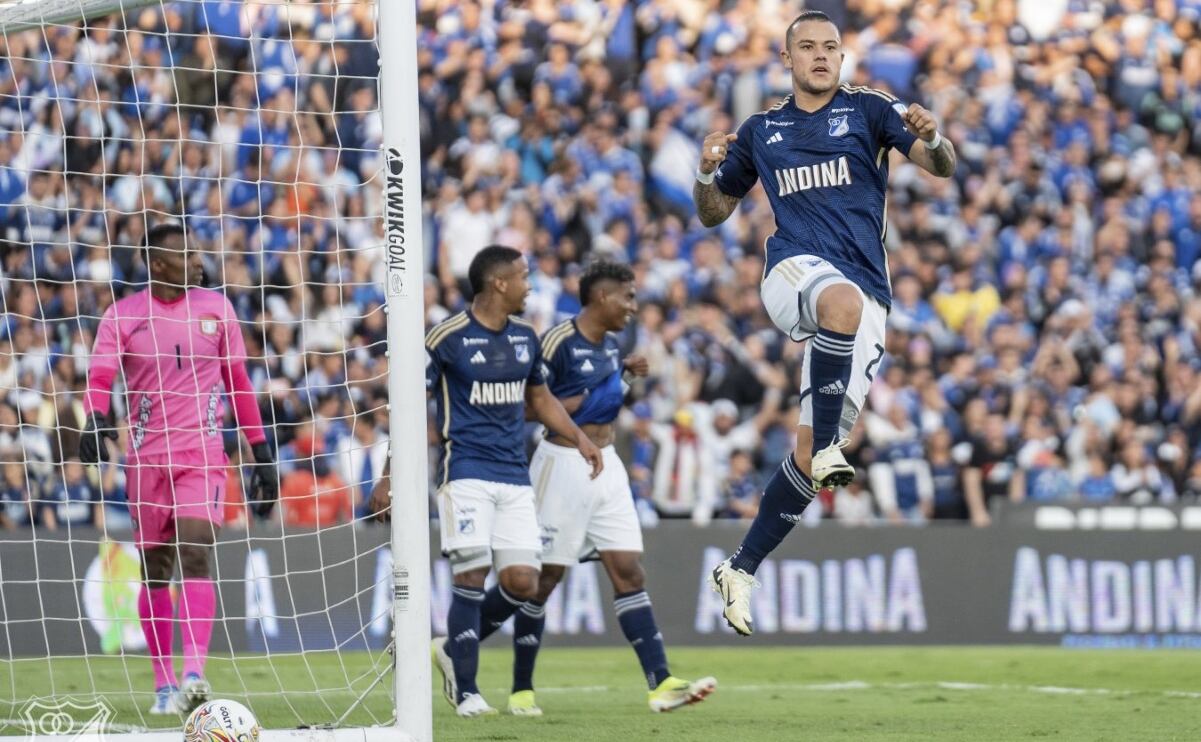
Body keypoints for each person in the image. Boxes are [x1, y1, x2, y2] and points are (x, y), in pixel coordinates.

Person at [694, 10, 956, 636]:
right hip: (794, 274)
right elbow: (713, 212)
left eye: (830, 47)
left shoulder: (869, 110)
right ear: (787, 59)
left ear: (843, 56)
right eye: (807, 47)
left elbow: (938, 165)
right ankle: (835, 446)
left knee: (810, 457)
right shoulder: (762, 129)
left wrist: (935, 136)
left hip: (869, 294)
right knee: (839, 305)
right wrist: (707, 171)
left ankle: (740, 567)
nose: (820, 56)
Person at [370, 245, 603, 718]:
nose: (529, 284)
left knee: (522, 582)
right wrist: (388, 474)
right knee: (471, 576)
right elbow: (412, 408)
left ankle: (452, 650)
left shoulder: (525, 337)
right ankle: (468, 690)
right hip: (465, 472)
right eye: (522, 276)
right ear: (498, 283)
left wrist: (579, 438)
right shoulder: (447, 337)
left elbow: (539, 400)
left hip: (514, 474)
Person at [475, 260, 716, 715]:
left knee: (629, 571)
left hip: (606, 466)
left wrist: (619, 381)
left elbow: (603, 403)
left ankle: (660, 682)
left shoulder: (610, 347)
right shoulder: (558, 342)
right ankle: (483, 661)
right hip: (562, 463)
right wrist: (589, 402)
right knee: (540, 582)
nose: (633, 306)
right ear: (602, 297)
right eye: (627, 297)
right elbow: (525, 406)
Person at [78, 221, 278, 714]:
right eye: (187, 255)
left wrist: (261, 450)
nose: (198, 261)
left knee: (195, 551)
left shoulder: (218, 309)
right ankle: (163, 682)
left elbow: (238, 382)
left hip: (204, 457)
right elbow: (101, 374)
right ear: (159, 264)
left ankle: (193, 673)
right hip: (146, 463)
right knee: (155, 570)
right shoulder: (123, 316)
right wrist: (95, 416)